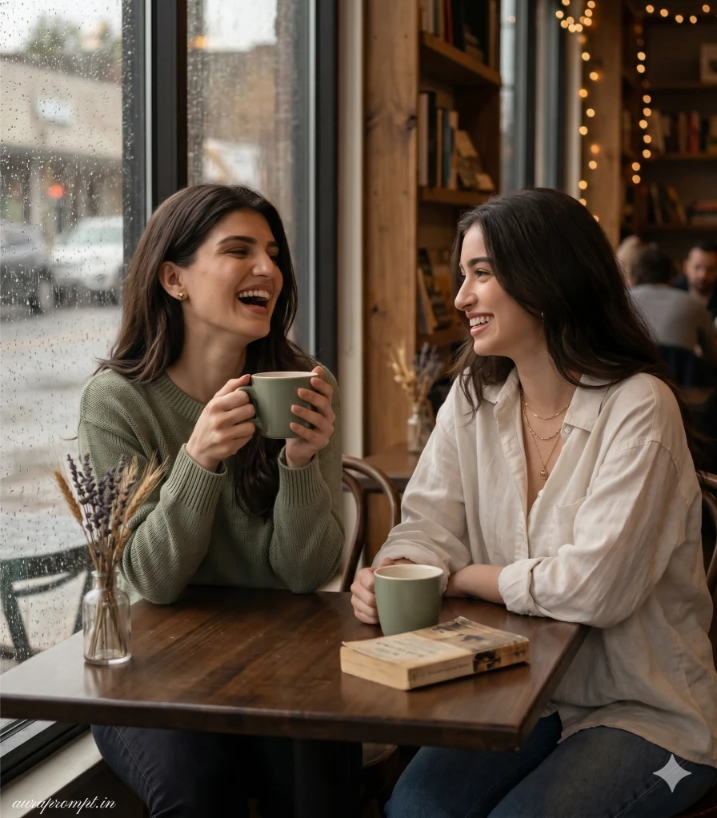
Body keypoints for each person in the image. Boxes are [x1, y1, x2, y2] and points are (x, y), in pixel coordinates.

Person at [351, 189, 717, 818]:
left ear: (547, 281)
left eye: (481, 274)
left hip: (643, 711)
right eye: (462, 275)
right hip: (514, 694)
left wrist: (459, 577)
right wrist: (396, 571)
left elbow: (594, 588)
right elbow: (426, 526)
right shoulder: (471, 396)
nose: (461, 295)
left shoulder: (638, 406)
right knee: (414, 809)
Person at [82, 183, 344, 818]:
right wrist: (197, 461)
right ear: (175, 279)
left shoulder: (304, 384)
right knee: (197, 791)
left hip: (280, 661)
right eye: (239, 250)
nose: (268, 270)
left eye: (274, 254)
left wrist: (302, 463)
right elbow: (152, 580)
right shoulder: (118, 400)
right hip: (152, 671)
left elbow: (306, 573)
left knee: (321, 784)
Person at [630, 243, 717, 376]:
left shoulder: (619, 301)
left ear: (632, 280)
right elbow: (712, 356)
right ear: (672, 277)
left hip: (630, 380)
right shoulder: (694, 304)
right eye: (697, 267)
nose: (702, 275)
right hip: (680, 386)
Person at [674, 239, 717, 320]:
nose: (703, 275)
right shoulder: (672, 291)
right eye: (697, 268)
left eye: (710, 269)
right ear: (686, 267)